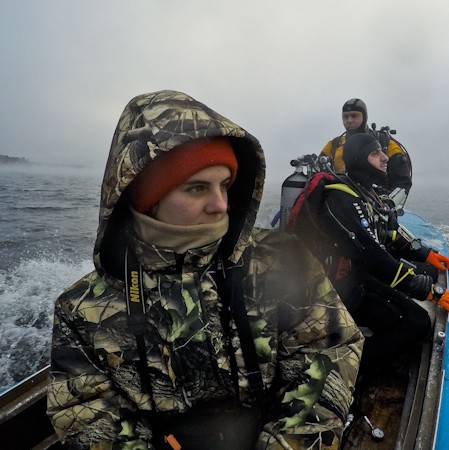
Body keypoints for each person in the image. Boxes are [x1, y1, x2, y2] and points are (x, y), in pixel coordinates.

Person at [46, 90, 364, 450]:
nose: (220, 205)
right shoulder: (80, 309)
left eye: (225, 185)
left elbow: (330, 352)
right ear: (146, 197)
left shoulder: (281, 257)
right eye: (197, 188)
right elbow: (87, 414)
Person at [293, 133, 449, 369]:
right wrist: (426, 291)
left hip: (363, 274)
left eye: (382, 151)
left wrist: (425, 254)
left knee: (429, 271)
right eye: (374, 153)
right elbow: (373, 255)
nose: (384, 158)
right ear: (358, 159)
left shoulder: (366, 193)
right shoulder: (341, 199)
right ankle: (347, 369)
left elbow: (392, 233)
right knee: (416, 322)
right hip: (340, 289)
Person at [319, 98, 413, 203]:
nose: (349, 120)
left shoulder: (385, 142)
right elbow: (321, 177)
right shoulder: (334, 145)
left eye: (354, 116)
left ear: (364, 117)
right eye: (345, 117)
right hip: (343, 205)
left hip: (379, 207)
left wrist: (388, 205)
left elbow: (403, 183)